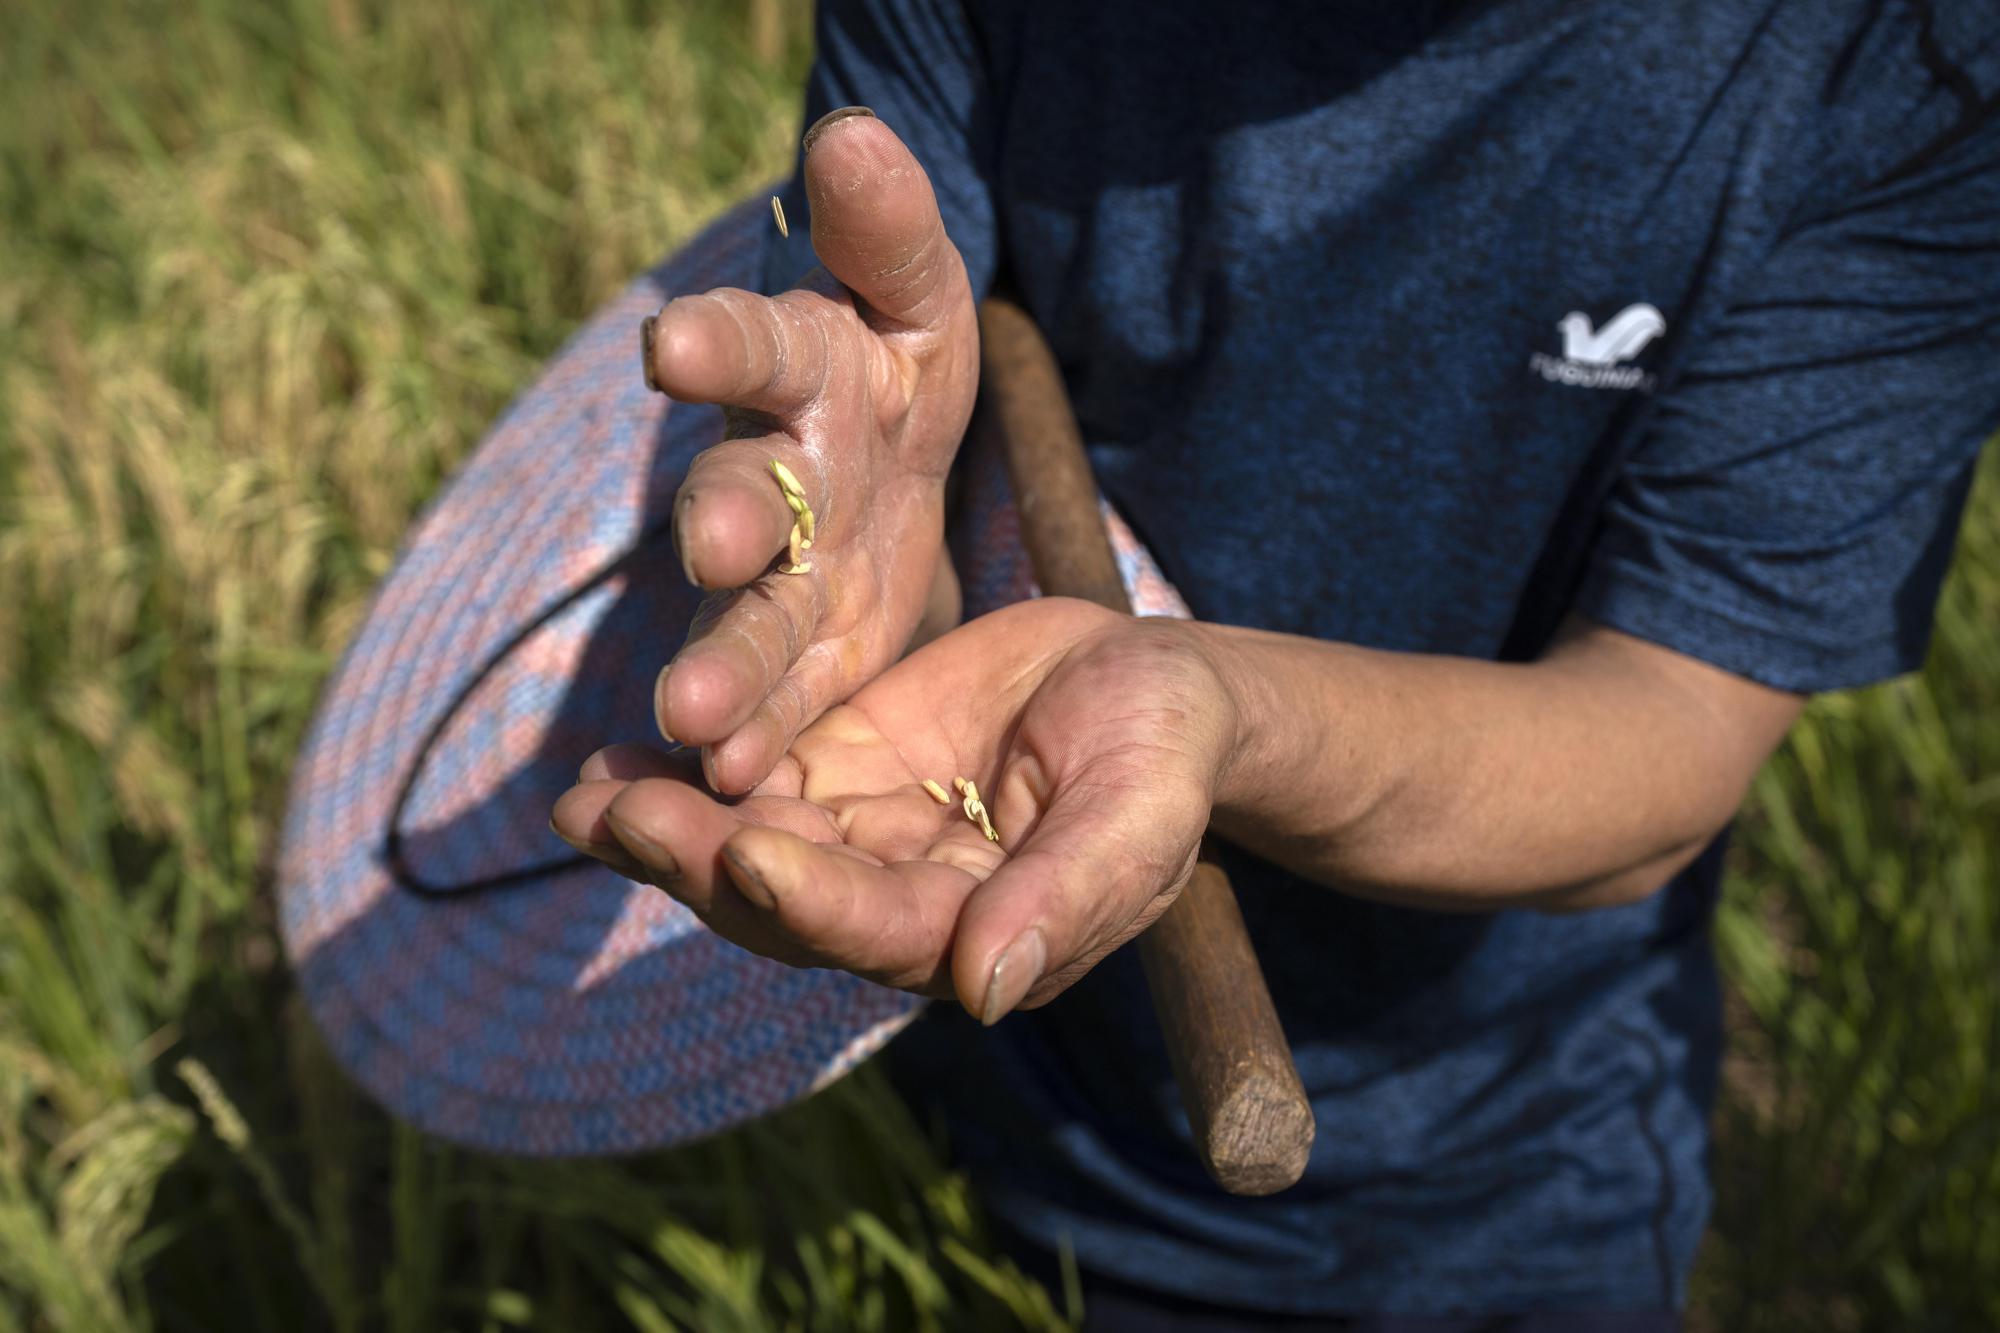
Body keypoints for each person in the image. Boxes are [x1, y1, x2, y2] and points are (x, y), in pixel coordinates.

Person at [541, 1, 2000, 1326]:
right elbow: (895, 414)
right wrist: (870, 559)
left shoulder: (1893, 69)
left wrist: (1221, 717)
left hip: (1483, 1171)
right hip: (958, 1070)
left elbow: (1672, 719)